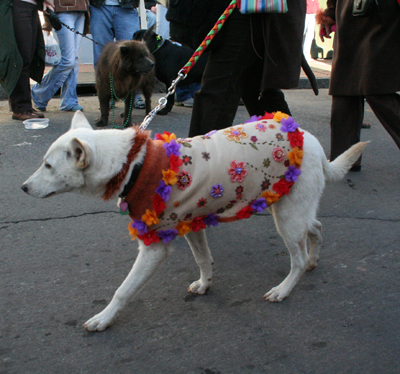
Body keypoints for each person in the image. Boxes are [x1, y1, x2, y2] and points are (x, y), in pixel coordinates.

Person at [167, 0, 308, 138]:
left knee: (220, 88)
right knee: (253, 86)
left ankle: (200, 155)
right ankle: (293, 146)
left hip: (250, 9)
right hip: (252, 10)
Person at [318, 0, 400, 171]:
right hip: (348, 14)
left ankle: (345, 158)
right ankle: (345, 159)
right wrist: (331, 12)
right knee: (344, 90)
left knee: (377, 88)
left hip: (382, 17)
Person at [31, 0, 90, 112]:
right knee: (68, 60)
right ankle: (39, 92)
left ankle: (69, 101)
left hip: (82, 9)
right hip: (63, 9)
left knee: (74, 58)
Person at [0, 0, 54, 121]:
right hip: (17, 5)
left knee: (29, 57)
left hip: (31, 6)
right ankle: (20, 108)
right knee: (20, 58)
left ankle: (26, 106)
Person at [89, 0, 144, 108]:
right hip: (99, 6)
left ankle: (134, 95)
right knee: (101, 57)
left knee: (133, 53)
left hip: (127, 6)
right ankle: (107, 96)